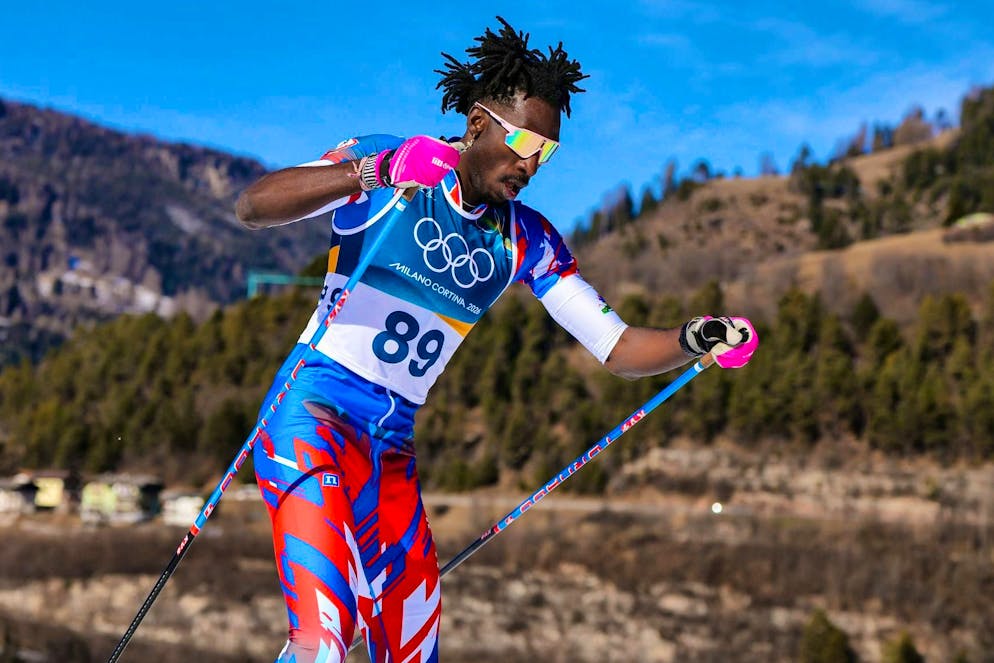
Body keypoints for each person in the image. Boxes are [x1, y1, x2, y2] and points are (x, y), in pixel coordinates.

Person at [235, 16, 757, 663]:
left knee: (413, 648)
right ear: (479, 122)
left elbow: (618, 349)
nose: (531, 163)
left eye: (547, 152)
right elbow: (254, 206)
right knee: (324, 639)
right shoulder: (395, 163)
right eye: (524, 141)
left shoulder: (525, 238)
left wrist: (695, 337)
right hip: (314, 415)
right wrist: (374, 171)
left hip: (390, 449)